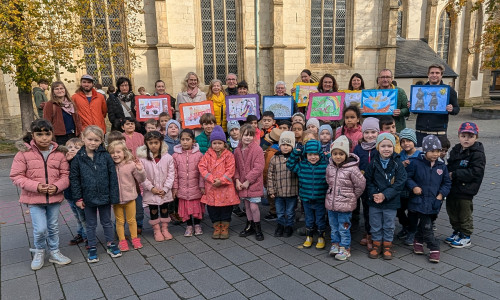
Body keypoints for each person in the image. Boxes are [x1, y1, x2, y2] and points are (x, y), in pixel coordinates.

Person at [10, 119, 72, 270]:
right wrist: (37, 186)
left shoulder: (59, 153)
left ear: (52, 134)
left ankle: (55, 252)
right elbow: (16, 176)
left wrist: (57, 187)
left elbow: (66, 175)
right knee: (40, 229)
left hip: (54, 198)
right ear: (33, 136)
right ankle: (39, 251)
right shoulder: (23, 154)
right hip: (34, 198)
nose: (44, 138)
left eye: (47, 134)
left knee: (53, 226)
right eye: (39, 134)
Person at [70, 125, 121, 263]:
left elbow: (113, 177)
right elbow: (74, 179)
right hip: (87, 198)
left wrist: (114, 196)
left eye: (96, 140)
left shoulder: (105, 156)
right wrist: (78, 198)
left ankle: (110, 244)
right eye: (90, 139)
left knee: (107, 222)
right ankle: (92, 246)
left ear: (101, 141)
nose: (92, 142)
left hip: (105, 196)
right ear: (83, 138)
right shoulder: (78, 158)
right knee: (90, 224)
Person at [406, 135, 451, 263]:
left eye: (438, 151)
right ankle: (434, 247)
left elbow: (447, 183)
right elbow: (408, 178)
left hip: (434, 201)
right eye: (432, 151)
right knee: (426, 226)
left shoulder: (442, 167)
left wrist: (441, 195)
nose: (436, 154)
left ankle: (418, 240)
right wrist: (414, 186)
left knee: (427, 223)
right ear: (425, 150)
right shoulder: (415, 163)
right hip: (418, 200)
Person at [365, 133, 407, 260]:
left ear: (394, 147)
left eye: (389, 146)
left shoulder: (397, 163)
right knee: (375, 223)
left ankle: (387, 244)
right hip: (375, 200)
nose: (386, 149)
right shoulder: (373, 163)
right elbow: (368, 180)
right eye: (383, 146)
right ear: (378, 147)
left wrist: (385, 195)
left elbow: (401, 181)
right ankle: (377, 243)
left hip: (391, 200)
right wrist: (375, 195)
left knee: (389, 224)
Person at [445, 122, 486, 248]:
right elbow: (450, 164)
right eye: (463, 136)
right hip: (453, 188)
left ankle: (466, 235)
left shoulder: (477, 153)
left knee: (464, 212)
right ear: (459, 136)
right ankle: (457, 231)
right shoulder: (456, 149)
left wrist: (455, 174)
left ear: (476, 137)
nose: (466, 139)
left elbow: (476, 172)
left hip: (466, 190)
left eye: (470, 136)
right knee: (452, 211)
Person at [326, 135, 366, 260]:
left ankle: (345, 248)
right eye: (335, 153)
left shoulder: (352, 169)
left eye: (341, 154)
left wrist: (352, 196)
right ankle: (335, 244)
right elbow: (328, 181)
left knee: (343, 227)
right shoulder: (330, 167)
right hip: (331, 203)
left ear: (347, 154)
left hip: (345, 204)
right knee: (333, 227)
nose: (338, 156)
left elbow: (361, 184)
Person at [198, 125, 240, 239]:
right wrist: (212, 179)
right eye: (215, 143)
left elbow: (231, 169)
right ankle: (216, 226)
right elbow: (202, 167)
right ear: (211, 143)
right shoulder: (207, 155)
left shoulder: (229, 155)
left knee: (226, 208)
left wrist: (221, 180)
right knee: (213, 208)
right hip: (211, 186)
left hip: (225, 187)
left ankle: (225, 227)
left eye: (219, 143)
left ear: (224, 143)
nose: (217, 146)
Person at [287, 140, 329, 249]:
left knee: (320, 219)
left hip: (320, 199)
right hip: (306, 199)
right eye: (310, 154)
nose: (313, 157)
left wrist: (328, 156)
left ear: (320, 154)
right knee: (309, 219)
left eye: (315, 154)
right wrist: (296, 153)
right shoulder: (302, 166)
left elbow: (334, 167)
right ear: (306, 154)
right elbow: (290, 165)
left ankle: (321, 236)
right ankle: (309, 236)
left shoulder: (325, 166)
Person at [107, 140, 146, 251]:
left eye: (118, 152)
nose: (115, 155)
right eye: (112, 152)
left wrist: (140, 170)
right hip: (116, 199)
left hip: (130, 198)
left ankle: (134, 238)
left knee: (132, 220)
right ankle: (122, 240)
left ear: (124, 152)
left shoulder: (130, 164)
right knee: (119, 221)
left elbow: (141, 179)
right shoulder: (109, 166)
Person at [136, 131, 175, 242]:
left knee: (164, 209)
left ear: (161, 143)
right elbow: (142, 176)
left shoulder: (167, 157)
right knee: (153, 210)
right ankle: (156, 230)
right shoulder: (143, 159)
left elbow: (171, 174)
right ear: (146, 144)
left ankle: (165, 229)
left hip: (164, 191)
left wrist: (166, 188)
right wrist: (151, 188)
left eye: (156, 142)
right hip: (151, 191)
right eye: (151, 143)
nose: (153, 145)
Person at [412, 64, 460, 146]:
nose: (434, 75)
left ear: (441, 75)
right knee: (420, 157)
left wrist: (452, 109)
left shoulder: (449, 91)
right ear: (428, 74)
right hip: (421, 132)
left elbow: (457, 109)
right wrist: (411, 105)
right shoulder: (421, 89)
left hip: (439, 132)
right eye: (432, 73)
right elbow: (415, 111)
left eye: (437, 73)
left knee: (437, 157)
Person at [234, 124, 266, 241]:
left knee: (253, 206)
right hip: (242, 183)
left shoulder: (257, 149)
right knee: (246, 206)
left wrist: (248, 180)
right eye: (245, 135)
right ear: (240, 136)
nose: (248, 138)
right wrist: (237, 180)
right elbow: (236, 167)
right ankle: (249, 225)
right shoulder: (237, 150)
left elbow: (259, 167)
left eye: (250, 135)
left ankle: (258, 227)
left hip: (253, 183)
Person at [353, 117, 380, 250]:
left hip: (376, 186)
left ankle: (372, 234)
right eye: (367, 133)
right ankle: (367, 232)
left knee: (373, 211)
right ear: (362, 133)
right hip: (362, 185)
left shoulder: (380, 148)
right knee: (366, 210)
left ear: (378, 133)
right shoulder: (358, 149)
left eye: (373, 132)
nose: (370, 136)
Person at [172, 129, 205, 237]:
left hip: (195, 187)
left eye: (188, 139)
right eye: (182, 139)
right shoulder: (176, 156)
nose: (185, 142)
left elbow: (201, 172)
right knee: (186, 209)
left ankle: (197, 225)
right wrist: (175, 188)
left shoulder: (199, 155)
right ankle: (189, 225)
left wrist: (201, 185)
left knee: (196, 207)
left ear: (193, 141)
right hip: (182, 188)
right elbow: (174, 174)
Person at [268, 131, 298, 237]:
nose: (285, 147)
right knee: (279, 212)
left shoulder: (296, 159)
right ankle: (280, 225)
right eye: (283, 145)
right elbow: (270, 175)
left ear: (292, 146)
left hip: (292, 191)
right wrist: (271, 190)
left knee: (290, 212)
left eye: (288, 145)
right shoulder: (275, 158)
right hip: (279, 192)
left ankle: (289, 226)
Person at [396, 128, 422, 244]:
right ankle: (405, 226)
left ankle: (412, 231)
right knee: (399, 211)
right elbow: (395, 168)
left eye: (409, 141)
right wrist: (401, 165)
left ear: (414, 141)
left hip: (414, 189)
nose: (406, 144)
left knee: (412, 212)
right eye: (403, 141)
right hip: (401, 190)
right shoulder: (400, 155)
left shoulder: (420, 155)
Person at [65, 138, 87, 247]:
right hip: (69, 194)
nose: (73, 149)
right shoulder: (64, 161)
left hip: (79, 195)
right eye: (70, 147)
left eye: (77, 148)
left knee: (83, 217)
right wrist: (67, 161)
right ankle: (80, 233)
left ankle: (87, 236)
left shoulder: (82, 160)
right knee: (77, 216)